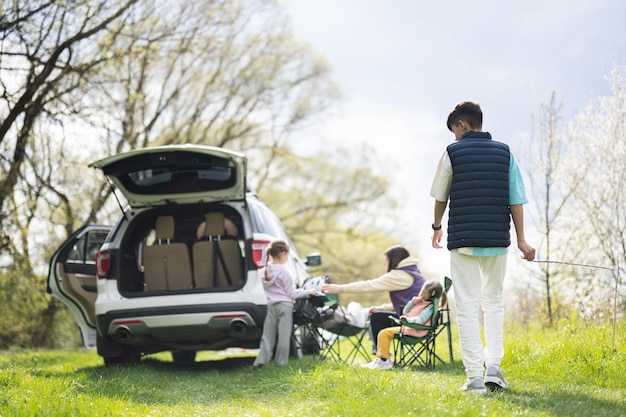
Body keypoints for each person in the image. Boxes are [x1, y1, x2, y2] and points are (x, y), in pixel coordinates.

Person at [430, 101, 536, 394]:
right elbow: (516, 199)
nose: (454, 138)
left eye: (454, 131)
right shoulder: (505, 153)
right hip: (496, 241)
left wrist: (437, 228)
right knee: (493, 304)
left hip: (463, 241)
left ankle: (475, 377)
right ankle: (495, 370)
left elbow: (440, 195)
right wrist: (522, 239)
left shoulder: (452, 152)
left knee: (466, 306)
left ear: (461, 125)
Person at [321, 245, 426, 354]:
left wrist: (340, 288)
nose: (384, 263)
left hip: (413, 323)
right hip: (420, 319)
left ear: (394, 260)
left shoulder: (401, 275)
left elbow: (369, 285)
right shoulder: (411, 272)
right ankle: (359, 321)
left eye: (386, 260)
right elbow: (408, 302)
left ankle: (382, 355)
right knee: (376, 312)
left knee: (376, 317)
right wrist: (382, 307)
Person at [252, 239, 316, 370]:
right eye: (287, 254)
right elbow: (292, 293)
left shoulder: (263, 272)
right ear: (282, 253)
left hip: (271, 307)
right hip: (285, 307)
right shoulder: (284, 273)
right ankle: (280, 364)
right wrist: (308, 292)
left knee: (267, 335)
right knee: (283, 337)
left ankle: (260, 362)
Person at [363, 280, 447, 370]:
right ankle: (380, 359)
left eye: (423, 293)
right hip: (410, 328)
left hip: (414, 330)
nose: (421, 294)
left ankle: (384, 360)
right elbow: (405, 311)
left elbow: (420, 319)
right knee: (383, 333)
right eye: (421, 291)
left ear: (431, 295)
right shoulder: (421, 302)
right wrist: (412, 303)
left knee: (384, 333)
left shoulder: (429, 307)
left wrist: (407, 320)